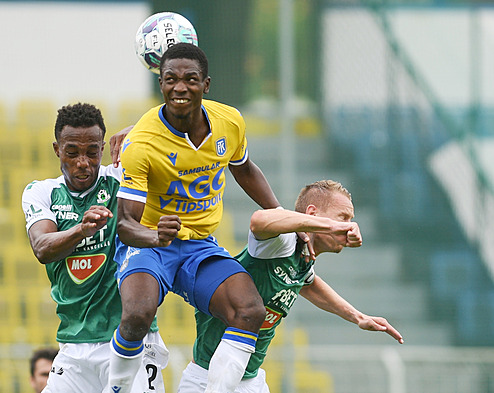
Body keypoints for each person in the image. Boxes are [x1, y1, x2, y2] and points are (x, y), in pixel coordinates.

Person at [109, 42, 282, 393]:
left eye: (190, 79)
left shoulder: (229, 121)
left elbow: (244, 168)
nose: (179, 87)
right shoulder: (141, 142)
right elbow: (125, 224)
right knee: (138, 314)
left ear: (206, 84)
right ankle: (114, 389)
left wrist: (279, 215)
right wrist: (154, 236)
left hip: (199, 246)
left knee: (249, 310)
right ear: (161, 85)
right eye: (170, 79)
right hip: (149, 245)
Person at [177, 180, 404, 393]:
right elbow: (258, 220)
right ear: (313, 214)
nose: (348, 226)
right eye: (342, 217)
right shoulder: (284, 241)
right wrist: (328, 225)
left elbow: (309, 283)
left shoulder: (303, 260)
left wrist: (357, 316)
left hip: (251, 380)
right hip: (206, 379)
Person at [22, 103, 167, 393]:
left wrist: (138, 129)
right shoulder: (41, 192)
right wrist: (82, 229)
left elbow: (174, 137)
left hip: (128, 340)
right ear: (57, 149)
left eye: (92, 152)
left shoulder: (120, 180)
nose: (83, 162)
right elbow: (42, 247)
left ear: (103, 148)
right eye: (72, 152)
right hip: (74, 346)